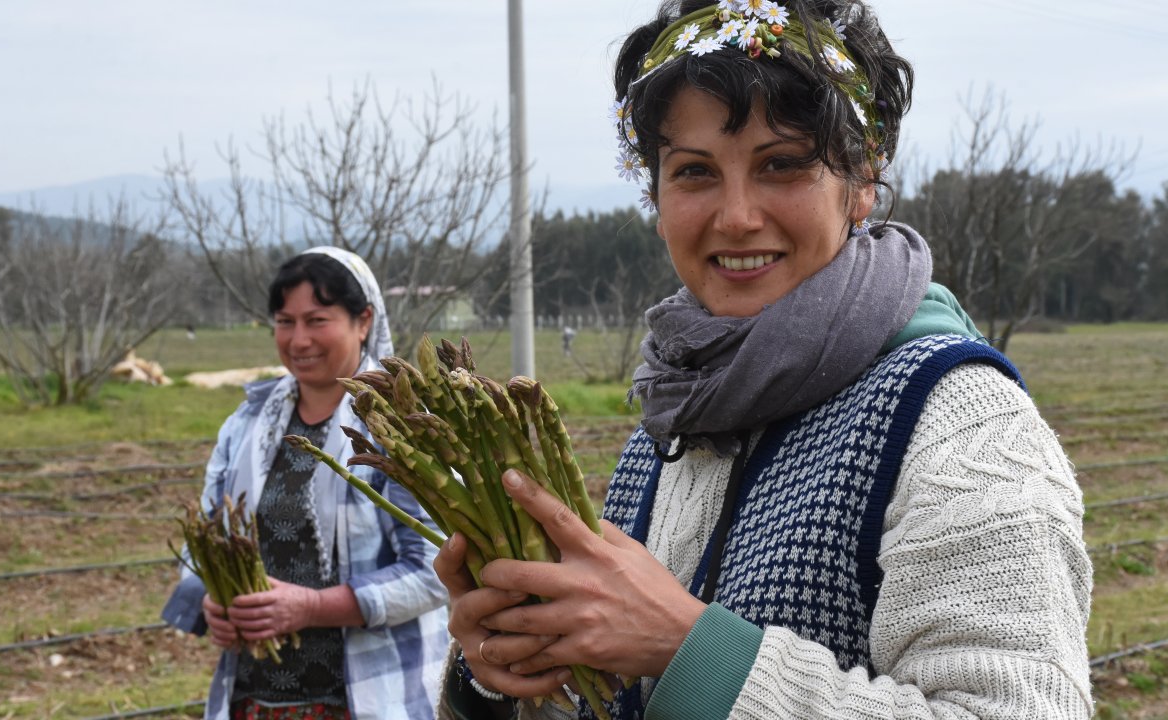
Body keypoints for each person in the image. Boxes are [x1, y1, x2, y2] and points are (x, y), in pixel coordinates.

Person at [436, 1, 1093, 719]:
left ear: (862, 180)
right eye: (693, 172)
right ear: (656, 199)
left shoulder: (956, 419)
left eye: (782, 164)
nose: (738, 215)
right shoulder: (670, 426)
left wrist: (690, 649)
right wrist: (503, 676)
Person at [163, 247, 450, 720]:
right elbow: (208, 536)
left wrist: (313, 607)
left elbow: (436, 569)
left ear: (363, 321)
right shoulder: (249, 421)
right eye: (285, 321)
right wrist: (210, 595)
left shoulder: (400, 426)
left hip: (372, 699)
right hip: (254, 700)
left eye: (317, 320)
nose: (299, 340)